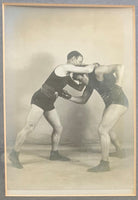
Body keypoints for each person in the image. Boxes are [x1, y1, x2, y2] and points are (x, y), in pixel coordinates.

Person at [9, 51, 95, 169]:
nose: (79, 65)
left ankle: (54, 154)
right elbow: (88, 70)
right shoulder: (62, 68)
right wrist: (95, 66)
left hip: (49, 102)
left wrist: (89, 82)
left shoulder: (67, 76)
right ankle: (14, 154)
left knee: (58, 128)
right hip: (40, 98)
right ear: (73, 58)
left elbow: (80, 88)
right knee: (29, 127)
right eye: (79, 62)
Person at [64, 63, 128, 172]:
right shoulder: (89, 85)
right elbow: (83, 100)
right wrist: (68, 96)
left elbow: (120, 67)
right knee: (108, 129)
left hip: (119, 102)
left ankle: (104, 163)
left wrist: (118, 85)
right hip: (111, 104)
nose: (80, 83)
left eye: (79, 80)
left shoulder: (97, 71)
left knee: (102, 130)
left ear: (84, 74)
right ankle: (120, 151)